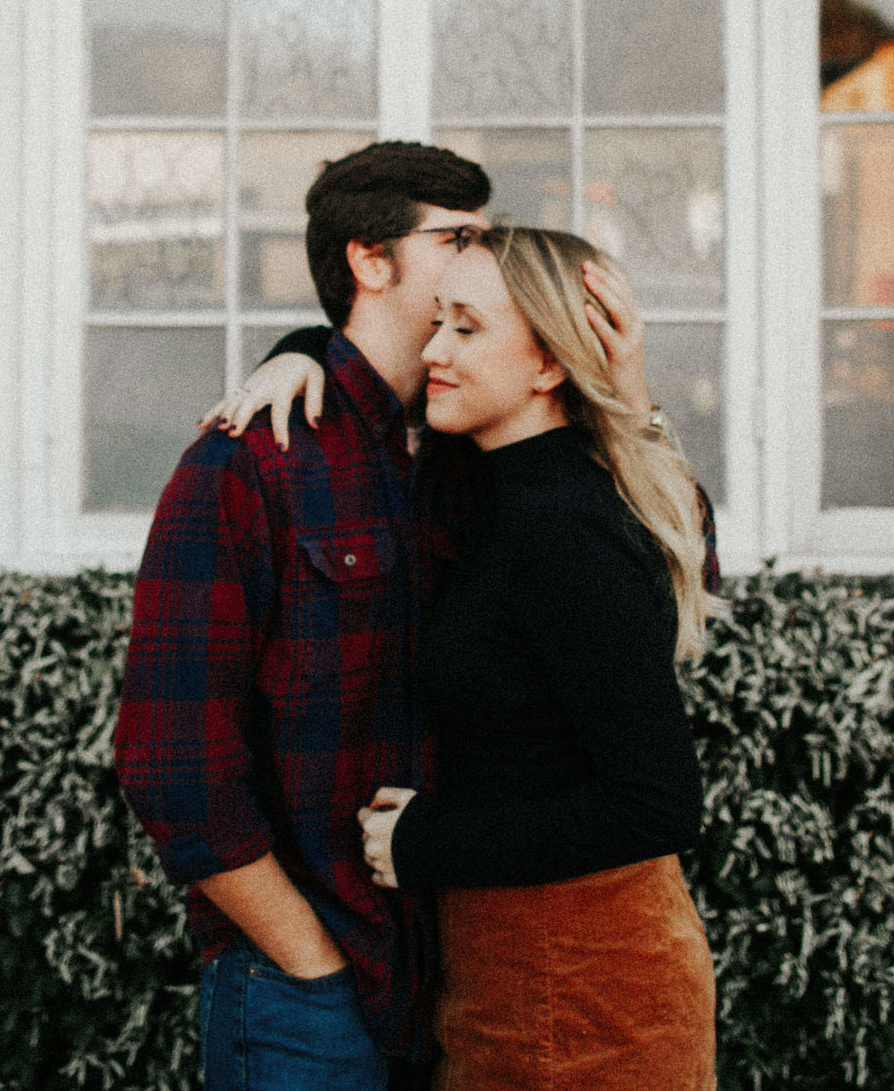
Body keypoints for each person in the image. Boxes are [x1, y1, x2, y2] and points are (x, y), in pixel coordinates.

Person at [114, 143, 656, 1091]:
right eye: (460, 238)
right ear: (371, 262)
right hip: (303, 990)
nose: (485, 258)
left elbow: (671, 564)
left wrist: (627, 392)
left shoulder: (475, 459)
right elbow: (173, 767)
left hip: (462, 979)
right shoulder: (249, 465)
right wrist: (310, 963)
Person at [354, 226, 719, 1091]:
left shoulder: (566, 526)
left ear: (549, 364)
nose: (433, 350)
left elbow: (659, 803)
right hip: (526, 975)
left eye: (467, 329)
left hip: (583, 995)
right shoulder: (516, 488)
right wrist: (296, 356)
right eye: (437, 320)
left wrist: (428, 841)